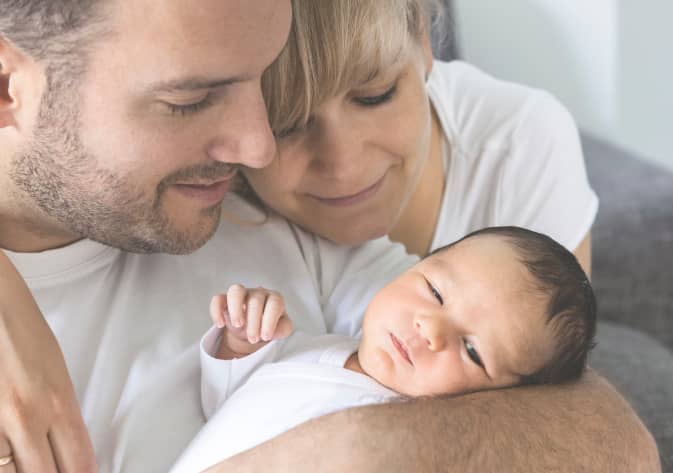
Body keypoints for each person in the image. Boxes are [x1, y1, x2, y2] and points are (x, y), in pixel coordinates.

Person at [206, 0, 660, 471]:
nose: (344, 166)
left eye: (375, 94)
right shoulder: (206, 199)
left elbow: (558, 393)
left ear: (423, 41)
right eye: (287, 122)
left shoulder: (518, 148)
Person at [1, 2, 413, 472]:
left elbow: (511, 399)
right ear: (7, 88)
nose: (260, 148)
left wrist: (341, 447)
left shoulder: (281, 216)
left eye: (265, 76)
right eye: (189, 102)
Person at [171, 226, 597, 472]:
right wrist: (242, 343)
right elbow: (225, 408)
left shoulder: (413, 442)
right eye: (434, 291)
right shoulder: (316, 348)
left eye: (471, 350)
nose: (430, 329)